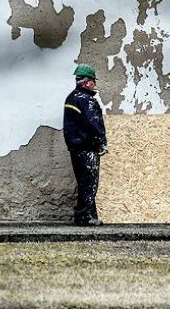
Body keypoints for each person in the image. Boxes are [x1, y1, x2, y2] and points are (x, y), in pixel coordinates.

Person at [63, 64, 108, 226]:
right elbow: (94, 122)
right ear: (87, 82)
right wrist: (102, 141)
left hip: (75, 147)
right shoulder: (86, 100)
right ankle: (84, 217)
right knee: (90, 182)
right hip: (87, 147)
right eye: (93, 81)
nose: (95, 84)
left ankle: (88, 214)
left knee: (83, 181)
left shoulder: (71, 98)